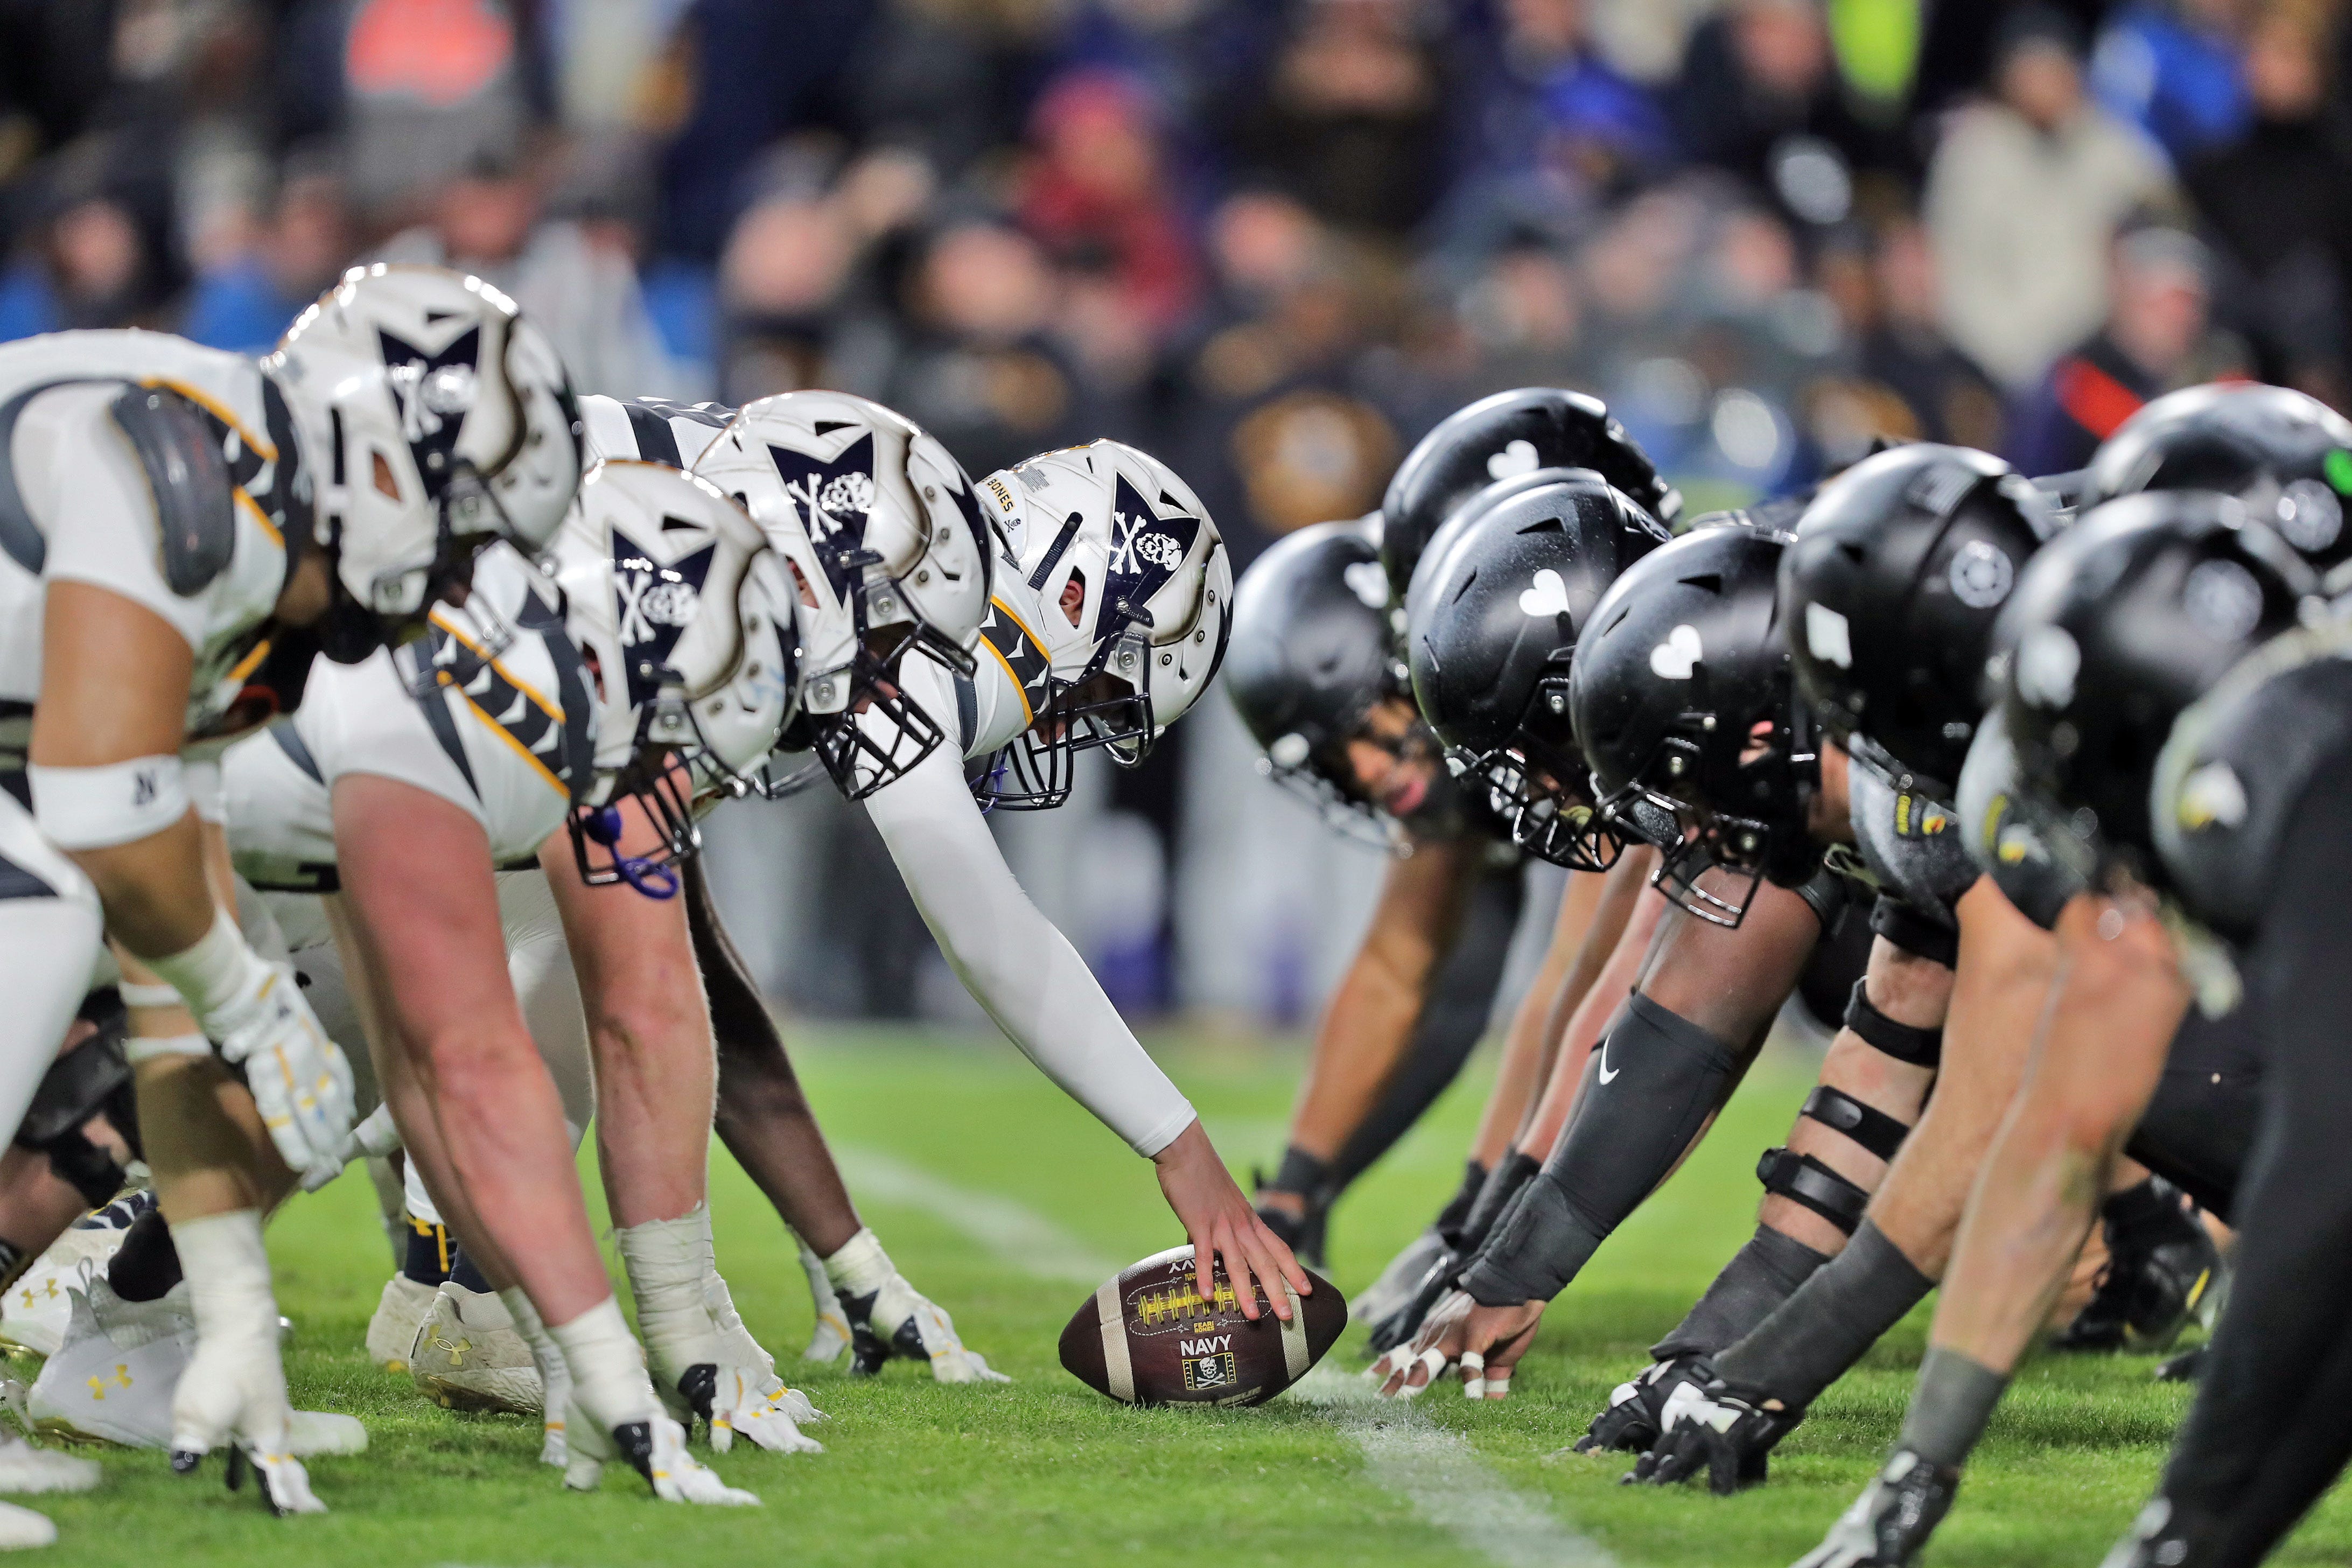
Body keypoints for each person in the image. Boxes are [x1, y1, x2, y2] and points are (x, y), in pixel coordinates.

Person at [0, 261, 580, 1535]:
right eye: (466, 529)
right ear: (384, 468)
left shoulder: (257, 527)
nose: (459, 578)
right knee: (46, 902)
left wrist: (221, 1299)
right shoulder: (195, 468)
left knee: (161, 932)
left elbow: (168, 903)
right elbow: (100, 817)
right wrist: (257, 1005)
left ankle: (134, 1348)